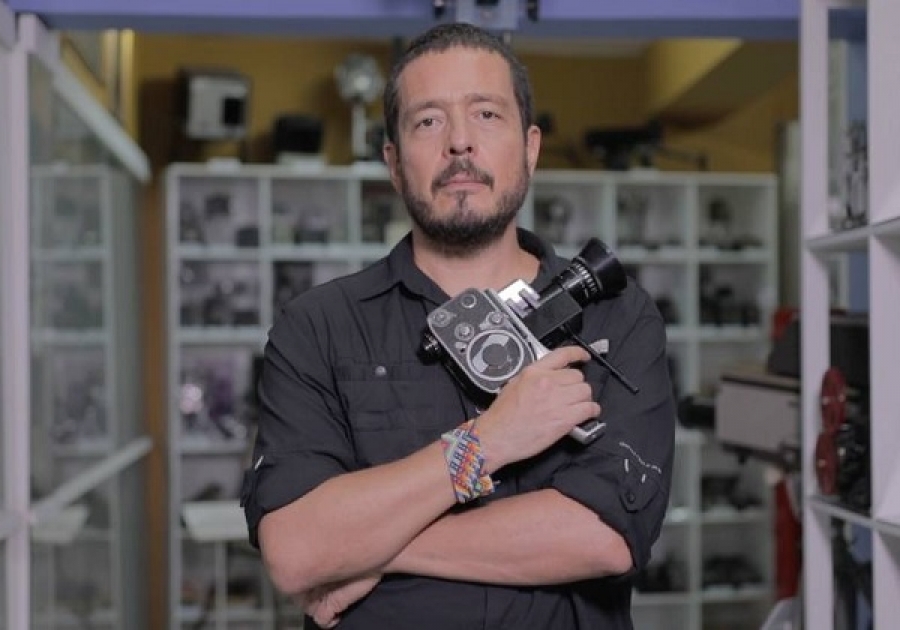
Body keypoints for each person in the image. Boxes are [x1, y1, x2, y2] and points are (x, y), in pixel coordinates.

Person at [241, 21, 676, 630]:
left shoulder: (617, 317)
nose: (460, 142)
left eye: (486, 115)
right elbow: (295, 551)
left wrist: (371, 547)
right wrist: (490, 440)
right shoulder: (317, 328)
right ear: (394, 162)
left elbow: (602, 536)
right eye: (428, 121)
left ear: (530, 147)